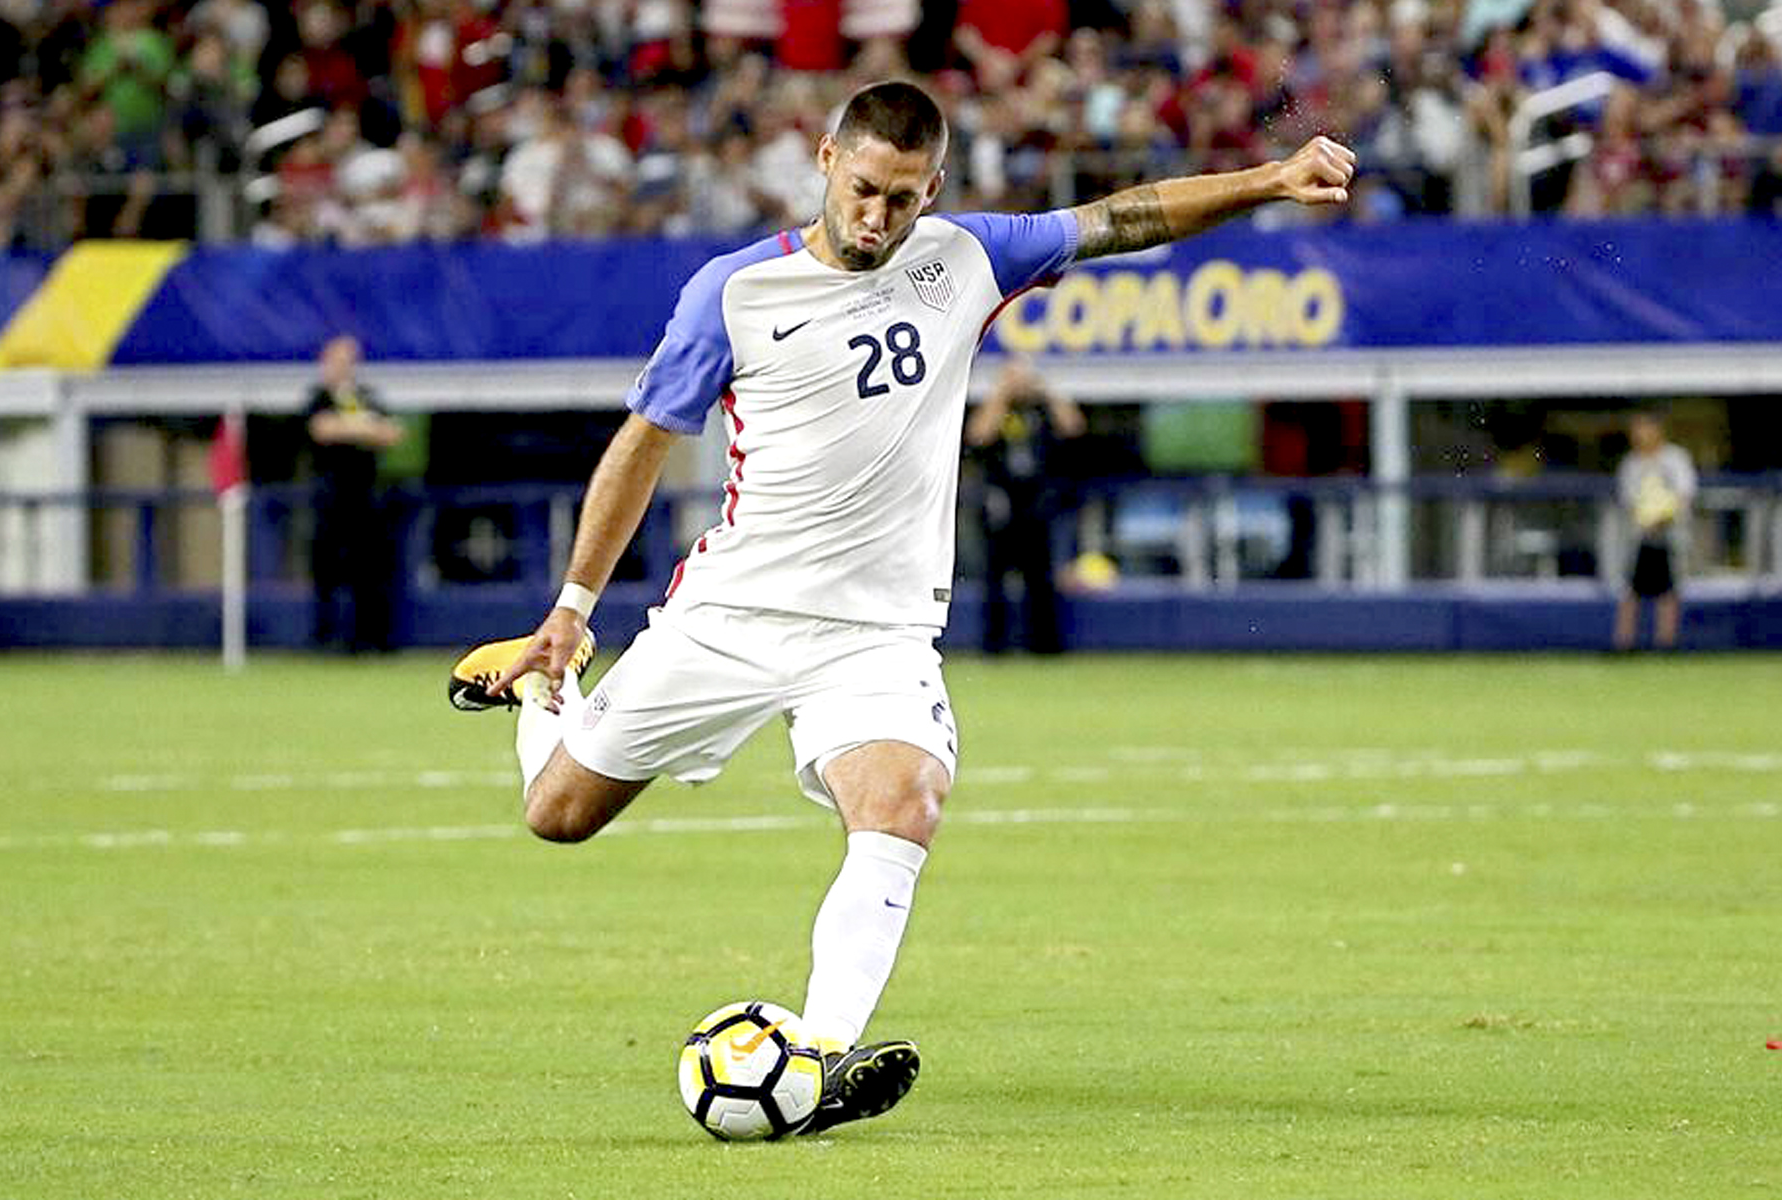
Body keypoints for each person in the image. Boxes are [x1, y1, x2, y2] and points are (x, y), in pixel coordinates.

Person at [447, 80, 1354, 1134]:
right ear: (826, 158)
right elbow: (643, 444)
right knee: (558, 817)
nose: (878, 218)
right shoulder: (733, 292)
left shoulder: (966, 257)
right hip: (734, 614)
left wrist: (1274, 180)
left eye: (905, 199)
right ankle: (546, 693)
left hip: (877, 634)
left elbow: (1129, 216)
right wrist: (571, 606)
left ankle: (820, 1061)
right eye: (865, 189)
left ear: (937, 190)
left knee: (903, 804)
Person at [964, 355, 1085, 654]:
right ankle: (995, 646)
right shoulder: (996, 407)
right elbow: (978, 436)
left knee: (1041, 579)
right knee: (994, 581)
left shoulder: (1040, 409)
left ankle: (1045, 646)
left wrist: (1045, 390)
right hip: (1000, 504)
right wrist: (1002, 394)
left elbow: (1074, 427)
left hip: (1036, 502)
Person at [304, 333, 403, 652]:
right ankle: (326, 636)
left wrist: (350, 427)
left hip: (365, 496)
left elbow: (391, 432)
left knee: (369, 569)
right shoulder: (318, 397)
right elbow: (321, 429)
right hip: (330, 497)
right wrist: (364, 428)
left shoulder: (367, 396)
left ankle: (370, 639)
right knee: (326, 570)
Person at [1612, 410, 1696, 651]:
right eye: (1635, 430)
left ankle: (1666, 644)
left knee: (1668, 591)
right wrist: (1645, 518)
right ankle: (1624, 645)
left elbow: (1684, 494)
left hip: (1671, 536)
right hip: (1640, 537)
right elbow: (1628, 500)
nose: (1639, 435)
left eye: (1644, 428)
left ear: (1657, 430)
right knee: (1631, 591)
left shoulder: (1675, 458)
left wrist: (1663, 515)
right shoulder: (1631, 463)